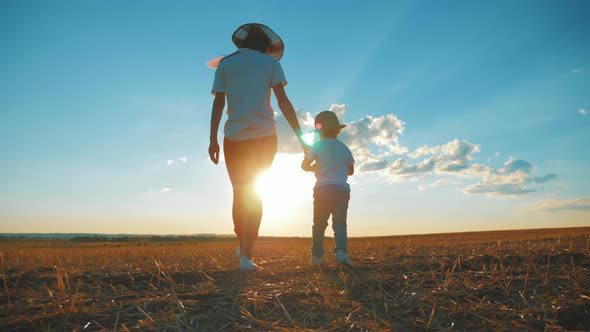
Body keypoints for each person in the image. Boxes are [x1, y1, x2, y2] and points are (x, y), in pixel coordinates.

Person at [208, 23, 305, 271]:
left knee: (240, 193)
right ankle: (246, 254)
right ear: (264, 46)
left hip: (234, 137)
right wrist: (302, 138)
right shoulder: (270, 63)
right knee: (255, 192)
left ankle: (243, 246)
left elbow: (218, 103)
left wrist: (213, 139)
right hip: (264, 137)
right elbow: (283, 102)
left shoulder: (226, 64)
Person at [301, 111, 355, 266]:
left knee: (319, 224)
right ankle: (342, 254)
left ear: (319, 132)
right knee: (339, 224)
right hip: (341, 190)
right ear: (338, 130)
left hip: (322, 190)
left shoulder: (317, 146)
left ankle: (317, 257)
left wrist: (314, 166)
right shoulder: (345, 148)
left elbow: (304, 166)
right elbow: (350, 170)